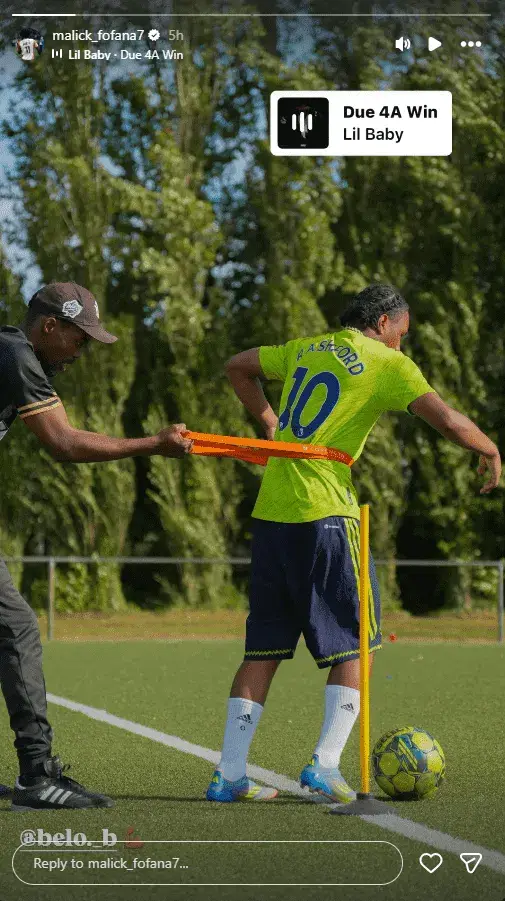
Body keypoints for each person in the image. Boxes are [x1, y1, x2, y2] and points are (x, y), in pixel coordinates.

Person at [206, 283, 501, 804]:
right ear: (384, 322)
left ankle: (228, 774)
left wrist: (271, 423)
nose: (402, 347)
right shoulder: (386, 364)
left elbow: (236, 365)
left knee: (263, 650)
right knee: (360, 641)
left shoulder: (305, 348)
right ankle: (323, 764)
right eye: (402, 335)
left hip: (273, 513)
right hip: (326, 513)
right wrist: (490, 449)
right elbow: (448, 420)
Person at [0, 282, 193, 811]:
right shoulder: (17, 353)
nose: (82, 353)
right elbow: (63, 442)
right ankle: (37, 776)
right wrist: (151, 444)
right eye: (79, 340)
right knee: (14, 627)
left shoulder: (12, 353)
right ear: (49, 327)